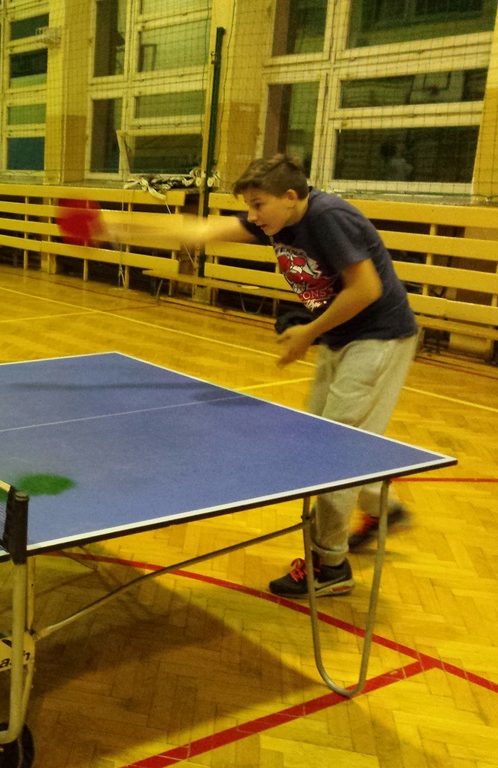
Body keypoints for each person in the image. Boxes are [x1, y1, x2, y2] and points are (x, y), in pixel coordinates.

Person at [109, 154, 417, 598]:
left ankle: (330, 566)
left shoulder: (328, 218)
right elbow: (200, 231)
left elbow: (367, 288)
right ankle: (384, 509)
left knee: (333, 452)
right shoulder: (278, 220)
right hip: (341, 337)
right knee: (330, 437)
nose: (251, 217)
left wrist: (308, 332)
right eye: (248, 207)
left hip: (379, 338)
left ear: (290, 197)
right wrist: (117, 227)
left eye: (258, 205)